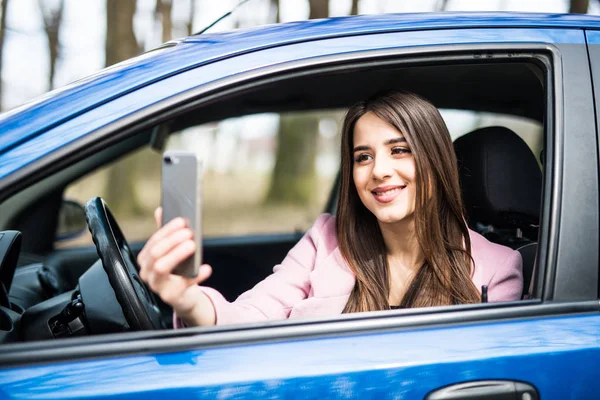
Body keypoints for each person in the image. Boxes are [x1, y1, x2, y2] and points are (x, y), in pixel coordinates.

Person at [138, 91, 523, 328]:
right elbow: (252, 317)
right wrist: (188, 301)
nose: (380, 171)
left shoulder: (497, 268)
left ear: (436, 160)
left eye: (399, 150)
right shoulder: (325, 239)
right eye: (363, 157)